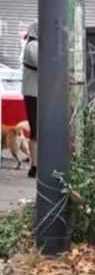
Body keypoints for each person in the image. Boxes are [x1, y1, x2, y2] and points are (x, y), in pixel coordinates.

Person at [21, 22, 38, 179]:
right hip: (33, 92)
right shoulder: (33, 45)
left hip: (36, 92)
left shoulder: (34, 44)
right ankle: (34, 165)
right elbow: (42, 64)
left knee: (37, 129)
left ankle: (36, 164)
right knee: (36, 130)